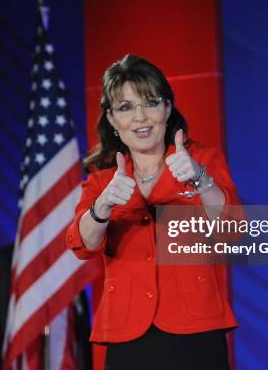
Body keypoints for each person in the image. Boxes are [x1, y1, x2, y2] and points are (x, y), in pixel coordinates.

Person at [66, 54, 240, 369]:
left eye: (150, 103)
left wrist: (200, 180)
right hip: (128, 335)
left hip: (196, 331)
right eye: (126, 107)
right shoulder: (102, 180)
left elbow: (234, 230)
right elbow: (82, 244)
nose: (140, 117)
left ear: (167, 109)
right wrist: (103, 205)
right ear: (111, 120)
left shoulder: (203, 161)